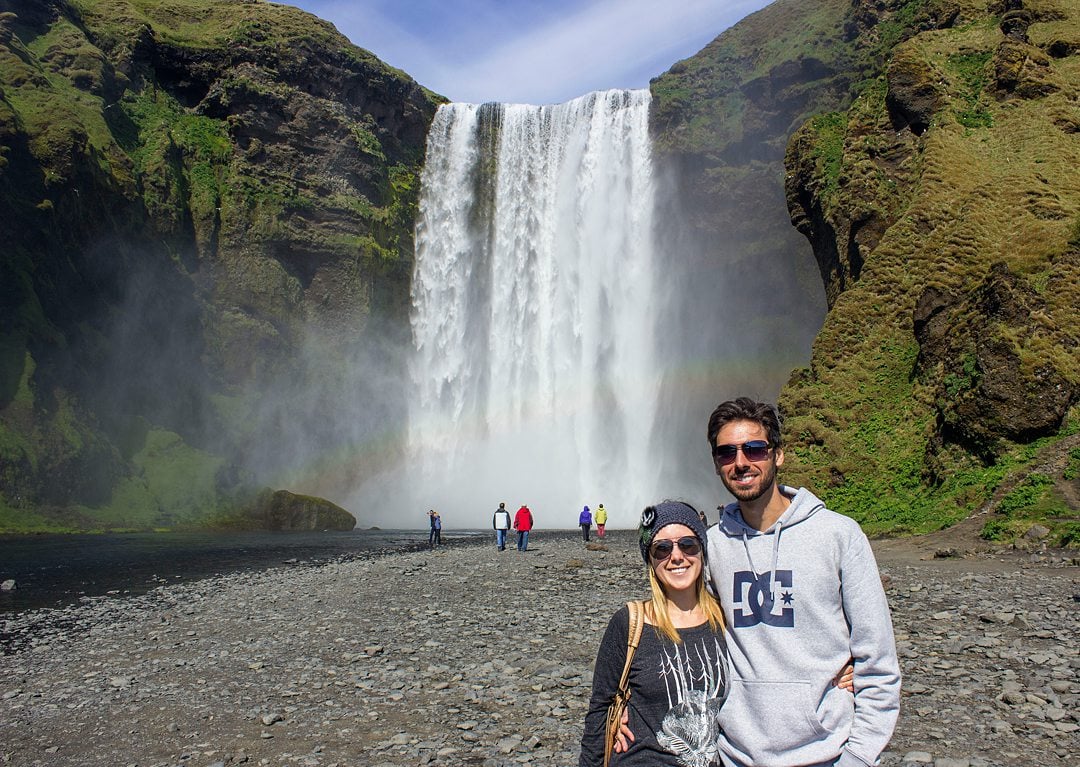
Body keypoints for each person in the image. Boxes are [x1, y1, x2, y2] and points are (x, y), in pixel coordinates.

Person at [703, 396, 900, 767]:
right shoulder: (711, 546)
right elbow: (679, 634)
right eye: (726, 453)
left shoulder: (839, 536)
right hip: (734, 757)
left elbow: (878, 660)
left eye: (754, 449)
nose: (741, 462)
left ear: (778, 455)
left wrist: (858, 756)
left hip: (828, 754)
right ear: (716, 464)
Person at [579, 500, 728, 766]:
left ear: (703, 550)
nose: (677, 556)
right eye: (662, 549)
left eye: (688, 544)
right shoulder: (630, 623)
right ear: (650, 558)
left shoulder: (728, 619)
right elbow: (600, 711)